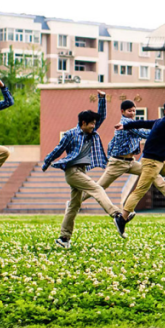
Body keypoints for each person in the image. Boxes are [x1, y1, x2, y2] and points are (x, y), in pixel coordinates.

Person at [42, 91, 127, 247]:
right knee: (97, 188)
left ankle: (63, 238)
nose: (94, 126)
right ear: (82, 123)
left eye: (95, 124)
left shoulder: (92, 132)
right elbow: (58, 149)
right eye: (91, 124)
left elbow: (102, 116)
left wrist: (102, 99)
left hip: (82, 171)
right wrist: (47, 162)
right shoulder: (70, 134)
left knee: (74, 206)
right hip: (72, 172)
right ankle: (116, 215)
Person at [81, 99, 165, 208]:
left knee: (151, 173)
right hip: (118, 162)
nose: (132, 113)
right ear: (123, 112)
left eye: (134, 111)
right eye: (129, 111)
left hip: (131, 162)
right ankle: (76, 200)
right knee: (101, 186)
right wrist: (164, 128)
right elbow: (146, 134)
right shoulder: (126, 123)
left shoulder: (133, 123)